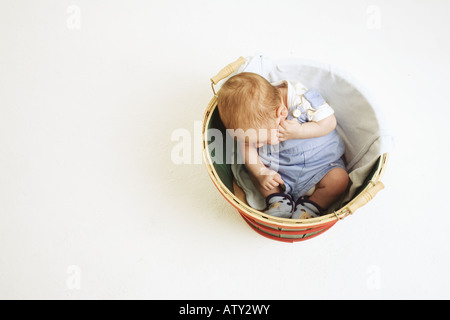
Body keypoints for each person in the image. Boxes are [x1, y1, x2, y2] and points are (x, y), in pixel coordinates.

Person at [217, 72, 349, 219]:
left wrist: (300, 131)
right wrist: (261, 172)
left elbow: (329, 123)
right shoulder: (250, 118)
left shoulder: (304, 101)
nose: (258, 145)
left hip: (319, 166)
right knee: (253, 170)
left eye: (262, 139)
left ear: (281, 113)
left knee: (339, 180)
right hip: (279, 173)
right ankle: (277, 200)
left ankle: (311, 207)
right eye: (254, 141)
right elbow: (246, 148)